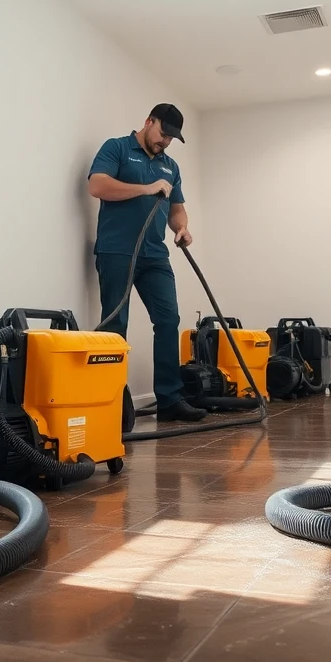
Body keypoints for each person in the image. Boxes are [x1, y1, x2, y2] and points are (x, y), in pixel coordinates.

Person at [87, 104, 206, 423]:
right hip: (117, 250)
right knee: (115, 326)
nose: (165, 141)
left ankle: (169, 398)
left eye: (171, 138)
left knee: (169, 320)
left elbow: (177, 208)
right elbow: (97, 186)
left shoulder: (171, 166)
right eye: (163, 133)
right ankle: (112, 400)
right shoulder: (116, 148)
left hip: (155, 254)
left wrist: (181, 227)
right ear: (148, 122)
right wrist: (146, 188)